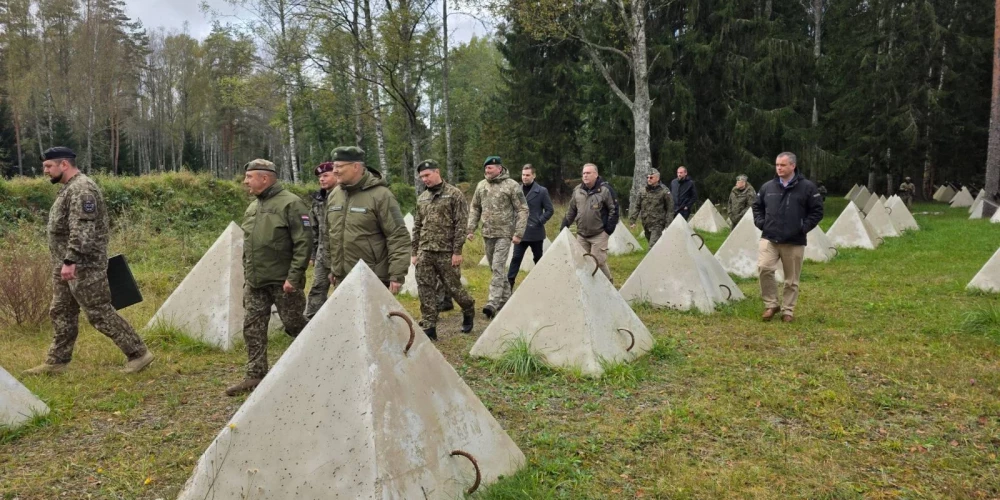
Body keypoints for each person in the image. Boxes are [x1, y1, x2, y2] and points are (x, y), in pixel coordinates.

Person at [24, 147, 155, 376]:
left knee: (98, 312)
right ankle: (57, 361)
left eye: (48, 166)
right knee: (62, 311)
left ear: (64, 164)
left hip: (83, 265)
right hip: (65, 264)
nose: (45, 171)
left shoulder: (82, 189)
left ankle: (138, 353)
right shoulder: (69, 188)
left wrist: (71, 260)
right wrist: (64, 262)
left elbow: (83, 229)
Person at [226, 159, 312, 396]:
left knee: (294, 324)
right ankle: (255, 375)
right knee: (252, 327)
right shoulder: (253, 207)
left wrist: (293, 277)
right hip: (256, 281)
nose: (245, 181)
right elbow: (249, 245)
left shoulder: (292, 204)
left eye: (249, 177)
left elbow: (304, 243)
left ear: (264, 178)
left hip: (283, 281)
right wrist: (248, 275)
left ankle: (319, 357)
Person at [326, 146, 410, 292]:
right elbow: (330, 234)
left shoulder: (381, 195)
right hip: (342, 278)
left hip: (372, 278)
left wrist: (397, 274)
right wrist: (332, 268)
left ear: (355, 167)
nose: (334, 171)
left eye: (339, 166)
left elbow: (398, 236)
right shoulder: (335, 195)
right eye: (334, 166)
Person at [751, 152, 824, 323]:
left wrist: (803, 228)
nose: (779, 168)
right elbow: (757, 206)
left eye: (782, 165)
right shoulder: (768, 187)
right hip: (769, 237)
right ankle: (771, 304)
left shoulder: (807, 187)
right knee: (764, 268)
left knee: (791, 279)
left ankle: (788, 310)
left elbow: (817, 211)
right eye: (777, 165)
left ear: (793, 166)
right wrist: (761, 223)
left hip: (794, 240)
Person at [411, 160, 476, 340]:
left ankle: (468, 308)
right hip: (425, 250)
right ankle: (430, 325)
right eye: (422, 177)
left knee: (453, 288)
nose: (425, 179)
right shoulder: (422, 198)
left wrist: (457, 252)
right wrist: (414, 252)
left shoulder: (454, 194)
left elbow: (461, 224)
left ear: (437, 172)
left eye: (427, 175)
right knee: (425, 287)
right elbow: (417, 226)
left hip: (446, 251)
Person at [467, 156, 528, 319]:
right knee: (495, 268)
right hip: (487, 233)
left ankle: (492, 303)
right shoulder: (481, 185)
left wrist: (518, 233)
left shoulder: (511, 185)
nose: (487, 170)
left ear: (499, 168)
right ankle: (507, 300)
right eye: (486, 168)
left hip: (504, 234)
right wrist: (471, 228)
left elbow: (522, 209)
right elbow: (475, 207)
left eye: (490, 168)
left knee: (497, 266)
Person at [561, 163, 619, 281]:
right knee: (582, 262)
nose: (585, 175)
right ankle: (587, 286)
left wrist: (608, 230)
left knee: (598, 262)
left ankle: (608, 283)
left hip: (599, 234)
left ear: (596, 174)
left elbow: (614, 210)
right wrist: (564, 225)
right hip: (582, 234)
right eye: (584, 173)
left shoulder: (605, 190)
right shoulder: (577, 190)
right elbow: (571, 210)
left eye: (588, 173)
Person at [507, 164, 553, 287]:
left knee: (538, 258)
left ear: (534, 176)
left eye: (527, 175)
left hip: (536, 233)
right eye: (523, 175)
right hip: (520, 233)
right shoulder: (516, 190)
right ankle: (509, 285)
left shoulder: (542, 191)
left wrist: (539, 220)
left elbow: (549, 210)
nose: (525, 177)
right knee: (516, 258)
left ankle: (542, 283)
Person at [304, 162, 338, 320]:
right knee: (317, 287)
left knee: (342, 288)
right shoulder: (318, 200)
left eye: (325, 175)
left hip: (341, 253)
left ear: (336, 175)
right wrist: (312, 254)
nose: (322, 179)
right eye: (319, 177)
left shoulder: (345, 197)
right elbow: (313, 229)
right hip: (323, 253)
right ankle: (312, 321)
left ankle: (342, 322)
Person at [629, 168, 673, 248]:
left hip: (658, 224)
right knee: (655, 246)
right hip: (646, 223)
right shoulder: (642, 191)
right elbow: (637, 206)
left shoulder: (664, 191)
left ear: (657, 178)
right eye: (648, 177)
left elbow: (670, 209)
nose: (649, 179)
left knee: (652, 246)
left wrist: (668, 224)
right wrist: (632, 221)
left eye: (651, 177)